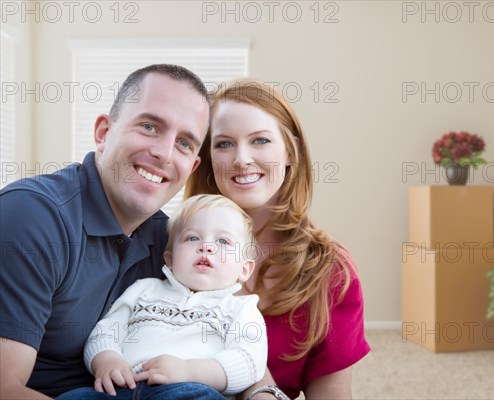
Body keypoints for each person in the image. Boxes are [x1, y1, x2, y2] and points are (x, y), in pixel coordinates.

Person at [0, 64, 210, 399]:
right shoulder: (32, 216)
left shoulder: (168, 243)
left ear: (192, 167)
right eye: (149, 126)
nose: (164, 153)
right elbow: (4, 389)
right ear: (103, 132)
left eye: (184, 143)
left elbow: (229, 323)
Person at [184, 78, 370, 399]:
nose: (241, 159)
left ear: (290, 151)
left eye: (259, 141)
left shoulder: (331, 270)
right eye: (224, 144)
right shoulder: (174, 247)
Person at [58, 194, 267, 400]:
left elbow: (248, 361)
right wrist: (107, 360)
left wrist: (188, 371)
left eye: (223, 240)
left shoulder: (241, 308)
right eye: (192, 238)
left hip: (189, 389)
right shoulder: (144, 289)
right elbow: (107, 329)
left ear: (245, 269)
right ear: (170, 259)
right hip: (122, 386)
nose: (206, 246)